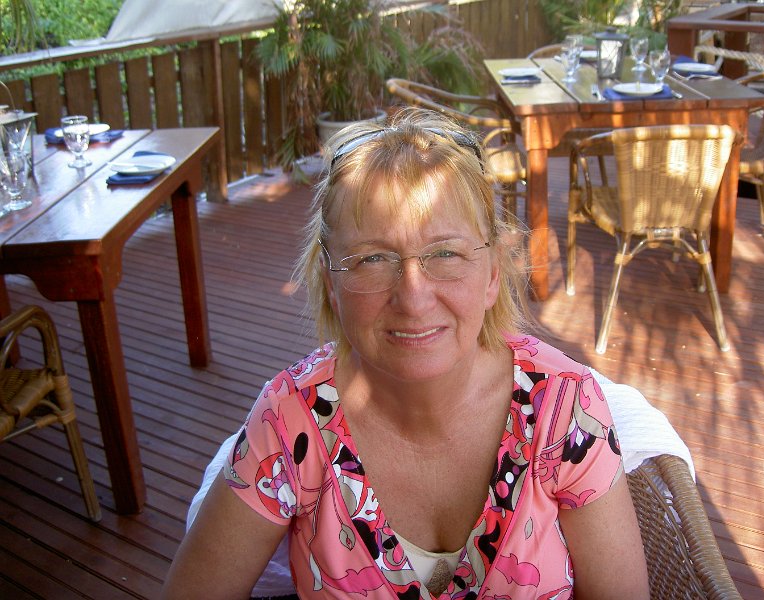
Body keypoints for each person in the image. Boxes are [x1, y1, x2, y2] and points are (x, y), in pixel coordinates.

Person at [161, 108, 650, 599]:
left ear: (493, 273)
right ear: (331, 284)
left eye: (445, 253)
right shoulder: (289, 423)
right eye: (373, 259)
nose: (414, 299)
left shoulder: (565, 410)